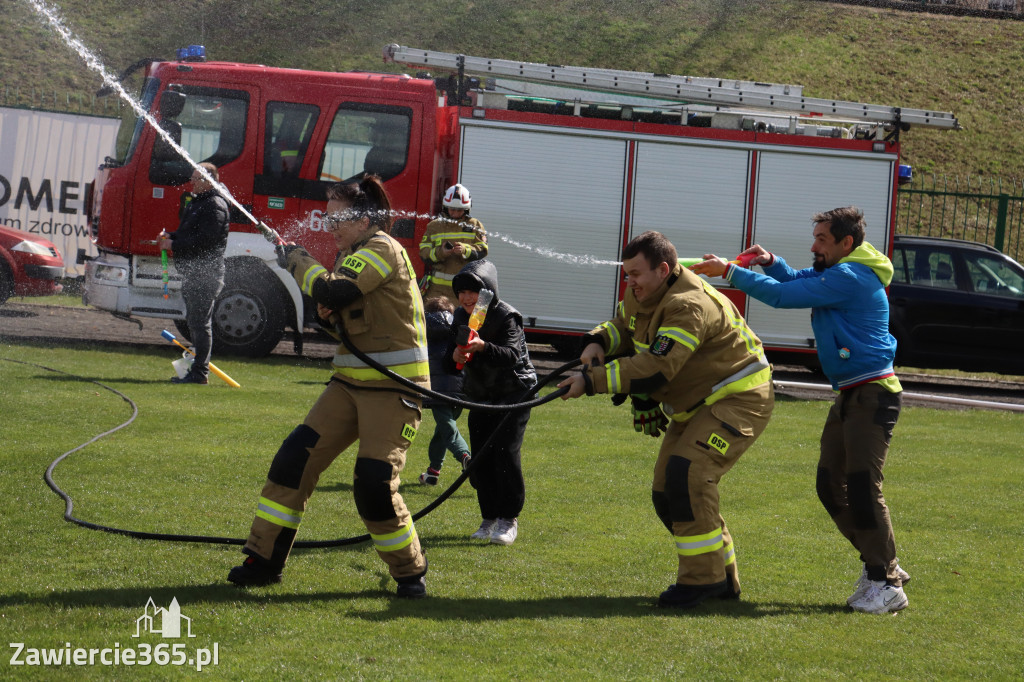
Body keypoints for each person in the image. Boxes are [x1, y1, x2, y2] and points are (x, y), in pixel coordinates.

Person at [692, 206, 910, 615]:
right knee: (830, 485)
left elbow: (782, 296)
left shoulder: (851, 276)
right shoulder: (844, 270)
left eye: (822, 240)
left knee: (863, 488)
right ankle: (882, 564)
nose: (814, 246)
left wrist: (731, 272)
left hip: (873, 394)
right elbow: (793, 280)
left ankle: (885, 583)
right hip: (851, 394)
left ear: (846, 243)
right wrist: (772, 263)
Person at [228, 176, 431, 598]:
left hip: (393, 391)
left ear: (363, 220)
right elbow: (341, 310)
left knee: (374, 485)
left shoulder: (381, 249)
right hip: (348, 384)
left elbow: (333, 289)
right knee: (292, 463)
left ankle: (410, 573)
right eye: (326, 215)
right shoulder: (351, 254)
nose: (328, 225)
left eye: (336, 217)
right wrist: (328, 315)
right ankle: (263, 559)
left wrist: (297, 259)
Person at [558, 231, 774, 609]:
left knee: (688, 476)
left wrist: (589, 381)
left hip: (738, 399)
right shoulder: (643, 292)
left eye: (636, 274)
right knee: (666, 493)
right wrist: (596, 342)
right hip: (697, 404)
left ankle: (701, 582)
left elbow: (657, 368)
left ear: (662, 269)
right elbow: (624, 327)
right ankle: (722, 580)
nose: (630, 282)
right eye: (627, 274)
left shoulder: (688, 305)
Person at [442, 259, 536, 546]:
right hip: (481, 394)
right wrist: (454, 358)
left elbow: (511, 356)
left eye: (474, 291)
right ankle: (488, 518)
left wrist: (482, 346)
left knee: (505, 453)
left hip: (514, 392)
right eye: (462, 292)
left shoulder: (506, 316)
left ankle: (509, 520)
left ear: (488, 291)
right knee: (481, 455)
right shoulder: (460, 316)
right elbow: (449, 359)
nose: (467, 297)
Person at [158, 162, 229, 385]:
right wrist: (170, 236)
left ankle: (199, 374)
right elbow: (188, 234)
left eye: (196, 179)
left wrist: (173, 245)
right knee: (195, 323)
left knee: (200, 324)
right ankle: (195, 371)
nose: (192, 182)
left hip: (207, 274)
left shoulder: (214, 205)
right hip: (195, 273)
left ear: (209, 181)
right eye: (192, 177)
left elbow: (206, 242)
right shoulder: (199, 202)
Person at [418, 295, 471, 485]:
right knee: (443, 430)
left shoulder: (422, 326)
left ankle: (466, 457)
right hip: (460, 387)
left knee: (448, 431)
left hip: (438, 389)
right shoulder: (459, 326)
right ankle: (433, 472)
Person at [418, 184, 488, 300]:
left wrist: (466, 250)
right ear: (445, 207)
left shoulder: (475, 225)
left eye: (459, 210)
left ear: (466, 209)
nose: (455, 213)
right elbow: (424, 253)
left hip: (464, 290)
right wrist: (441, 252)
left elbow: (483, 249)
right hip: (437, 292)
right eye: (452, 209)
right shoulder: (434, 226)